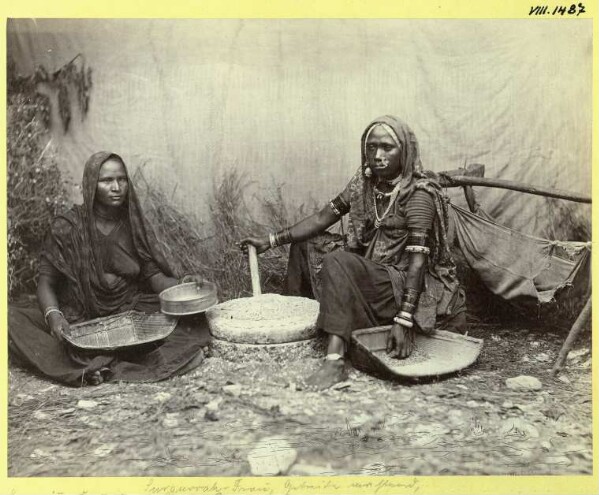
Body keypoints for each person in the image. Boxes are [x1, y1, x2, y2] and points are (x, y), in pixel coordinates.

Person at [240, 116, 466, 390]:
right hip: (371, 269)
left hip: (399, 283)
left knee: (338, 260)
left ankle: (335, 360)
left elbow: (417, 265)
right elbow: (324, 217)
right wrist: (272, 240)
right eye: (371, 147)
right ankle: (296, 328)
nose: (377, 155)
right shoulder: (364, 183)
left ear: (404, 151)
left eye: (387, 148)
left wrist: (404, 321)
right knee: (306, 243)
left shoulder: (418, 194)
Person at [8, 151, 207, 386]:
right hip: (79, 316)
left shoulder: (132, 225)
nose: (116, 187)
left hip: (128, 313)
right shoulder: (67, 227)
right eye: (107, 181)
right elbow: (46, 283)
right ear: (92, 183)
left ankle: (94, 364)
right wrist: (55, 318)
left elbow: (154, 277)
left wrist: (183, 286)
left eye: (122, 179)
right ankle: (112, 363)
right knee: (10, 318)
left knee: (193, 317)